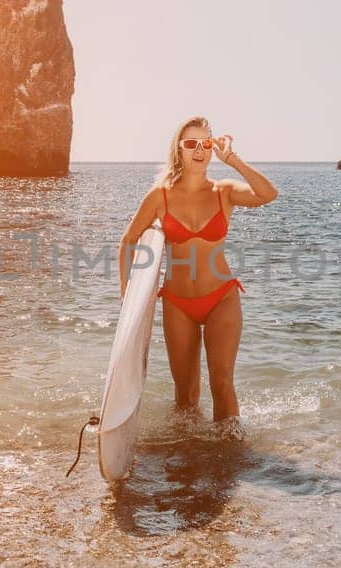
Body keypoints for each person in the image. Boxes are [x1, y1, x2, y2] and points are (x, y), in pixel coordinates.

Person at [118, 117, 279, 422]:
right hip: (178, 303)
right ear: (178, 150)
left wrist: (233, 160)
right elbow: (128, 241)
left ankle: (230, 456)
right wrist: (126, 295)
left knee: (221, 384)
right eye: (190, 143)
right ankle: (189, 454)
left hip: (221, 298)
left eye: (206, 143)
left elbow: (268, 194)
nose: (199, 150)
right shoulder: (160, 196)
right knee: (185, 394)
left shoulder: (224, 191)